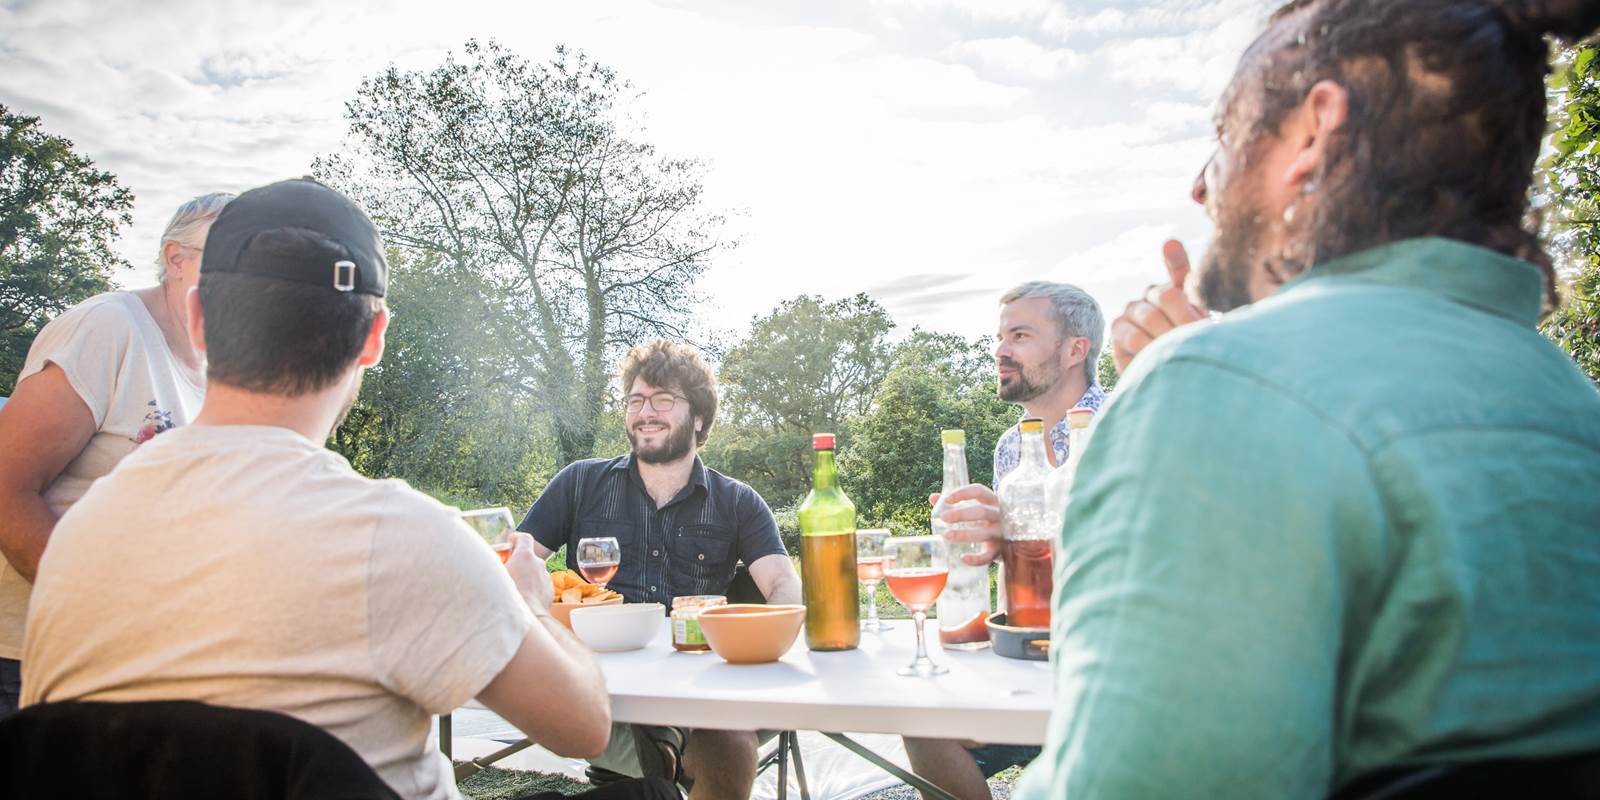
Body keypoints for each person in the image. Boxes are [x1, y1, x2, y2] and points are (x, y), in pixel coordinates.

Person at [1016, 1, 1600, 797]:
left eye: (1226, 136)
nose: (1200, 185)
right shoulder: (1569, 404)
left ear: (1315, 130)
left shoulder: (1217, 391)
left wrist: (1203, 386)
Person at [18, 178, 673, 800]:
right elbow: (583, 727)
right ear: (373, 337)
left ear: (197, 318)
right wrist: (528, 605)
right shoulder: (400, 537)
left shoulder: (76, 538)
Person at [518, 338, 802, 800]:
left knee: (730, 743)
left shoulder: (738, 502)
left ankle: (668, 749)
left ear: (699, 416)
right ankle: (662, 751)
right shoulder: (578, 483)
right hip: (599, 694)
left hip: (701, 691)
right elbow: (515, 566)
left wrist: (756, 646)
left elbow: (784, 585)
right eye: (635, 400)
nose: (645, 412)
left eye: (663, 399)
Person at [0, 192, 232, 720]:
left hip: (130, 667)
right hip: (31, 664)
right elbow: (7, 486)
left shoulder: (215, 367)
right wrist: (109, 613)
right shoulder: (109, 327)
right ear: (176, 259)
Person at [902, 281, 1106, 800]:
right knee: (926, 725)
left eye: (1020, 335)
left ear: (1075, 349)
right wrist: (984, 544)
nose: (1000, 350)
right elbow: (1022, 565)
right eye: (999, 337)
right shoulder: (1011, 446)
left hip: (1108, 665)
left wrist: (1016, 530)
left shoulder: (1122, 427)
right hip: (1026, 653)